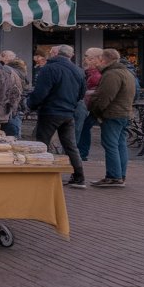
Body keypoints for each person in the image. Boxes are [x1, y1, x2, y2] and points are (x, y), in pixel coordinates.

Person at [27, 45, 87, 188]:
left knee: (42, 144)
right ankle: (79, 177)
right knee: (71, 146)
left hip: (50, 111)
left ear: (55, 54)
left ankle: (42, 175)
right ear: (70, 56)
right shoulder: (78, 70)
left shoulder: (49, 68)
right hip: (68, 112)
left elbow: (41, 92)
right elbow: (81, 93)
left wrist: (30, 104)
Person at [89, 48, 137, 188]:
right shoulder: (127, 72)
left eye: (99, 59)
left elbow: (104, 97)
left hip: (112, 114)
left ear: (104, 60)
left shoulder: (112, 74)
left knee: (111, 145)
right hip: (124, 112)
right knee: (120, 145)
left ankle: (113, 176)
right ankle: (120, 175)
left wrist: (96, 112)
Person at [75, 47, 104, 161]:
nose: (85, 59)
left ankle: (82, 153)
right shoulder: (89, 73)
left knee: (84, 128)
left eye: (87, 57)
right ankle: (82, 153)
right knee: (84, 129)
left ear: (97, 59)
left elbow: (98, 90)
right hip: (89, 106)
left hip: (92, 107)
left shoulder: (96, 74)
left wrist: (86, 94)